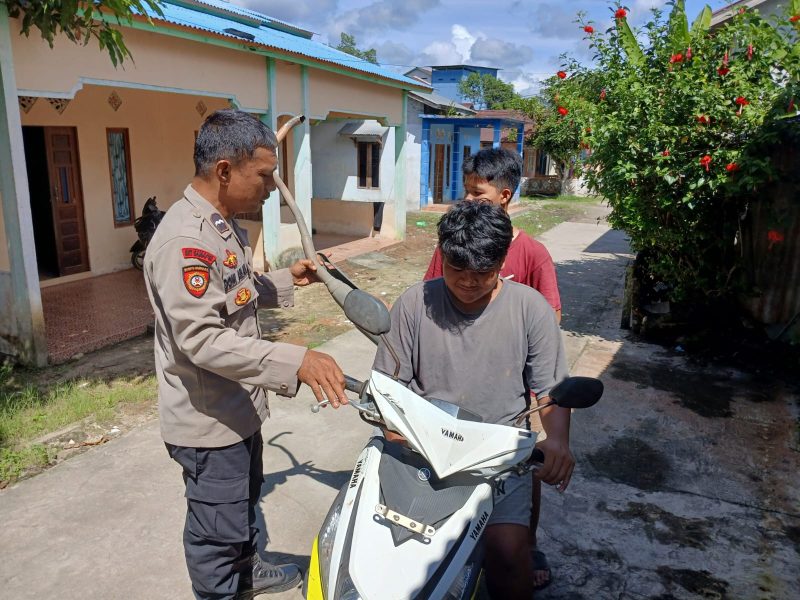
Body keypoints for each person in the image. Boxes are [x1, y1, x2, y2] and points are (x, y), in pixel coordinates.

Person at [144, 109, 348, 600]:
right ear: (224, 171)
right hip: (208, 423)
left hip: (237, 409)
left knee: (242, 508)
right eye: (263, 175)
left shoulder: (220, 224)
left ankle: (248, 572)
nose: (272, 188)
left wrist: (285, 280)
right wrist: (294, 360)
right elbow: (202, 339)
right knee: (217, 534)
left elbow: (234, 292)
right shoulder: (185, 241)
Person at [374, 202, 574, 599]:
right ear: (441, 256)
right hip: (424, 450)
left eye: (481, 273)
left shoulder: (530, 309)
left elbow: (552, 387)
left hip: (498, 456)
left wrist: (557, 439)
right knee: (393, 550)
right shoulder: (415, 303)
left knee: (508, 553)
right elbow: (389, 386)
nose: (467, 282)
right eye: (455, 269)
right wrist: (394, 428)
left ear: (502, 260)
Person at [423, 147, 561, 589]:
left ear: (504, 196)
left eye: (477, 195)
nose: (468, 202)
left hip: (512, 386)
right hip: (453, 400)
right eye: (465, 194)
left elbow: (549, 318)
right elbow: (429, 297)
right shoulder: (454, 249)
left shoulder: (533, 254)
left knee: (525, 468)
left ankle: (527, 541)